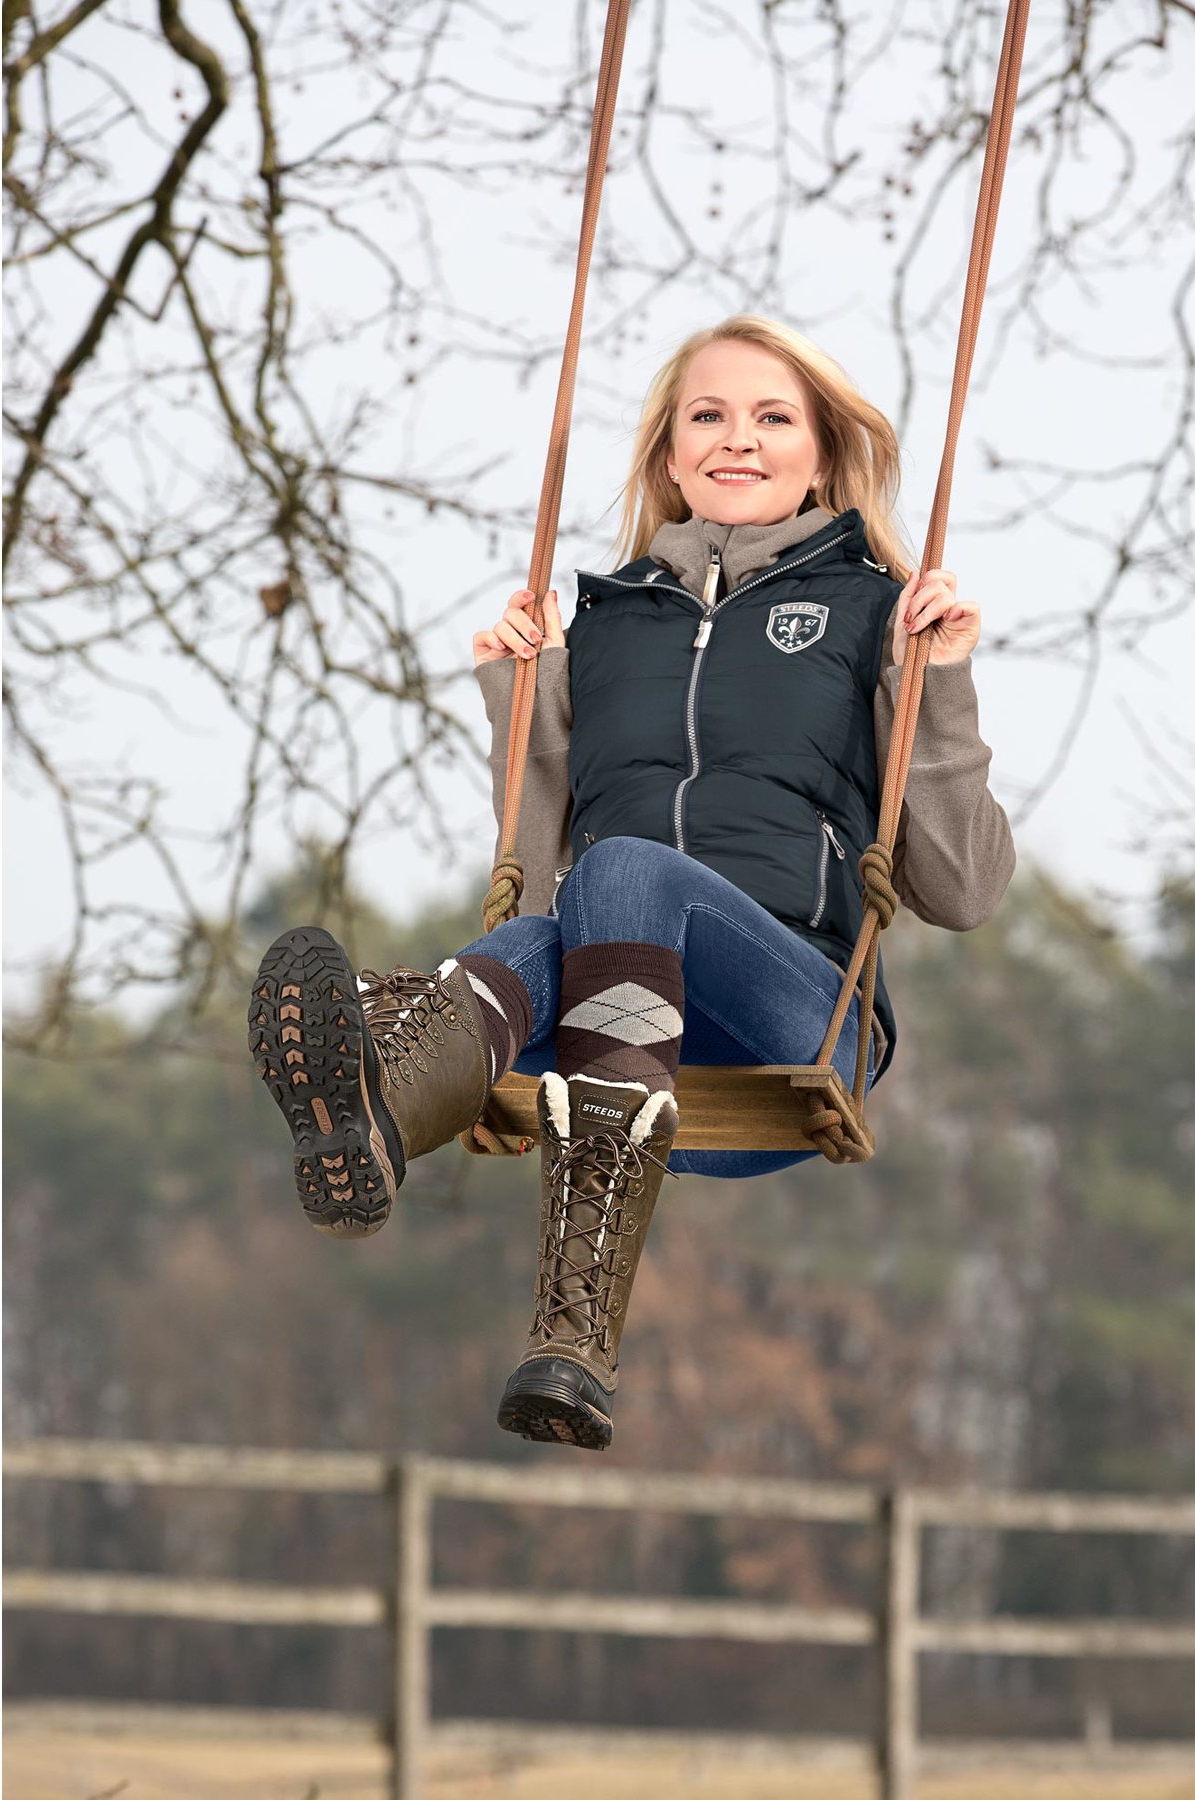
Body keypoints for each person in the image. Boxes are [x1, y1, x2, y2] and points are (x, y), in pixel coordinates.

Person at [249, 315, 1015, 1451]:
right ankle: (379, 1124)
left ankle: (417, 1079)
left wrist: (934, 687)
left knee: (621, 879)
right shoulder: (603, 626)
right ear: (668, 453)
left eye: (771, 418)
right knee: (550, 928)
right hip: (629, 1049)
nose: (735, 439)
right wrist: (524, 699)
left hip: (792, 1026)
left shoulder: (872, 613)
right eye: (705, 415)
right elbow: (541, 857)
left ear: (819, 451)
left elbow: (961, 889)